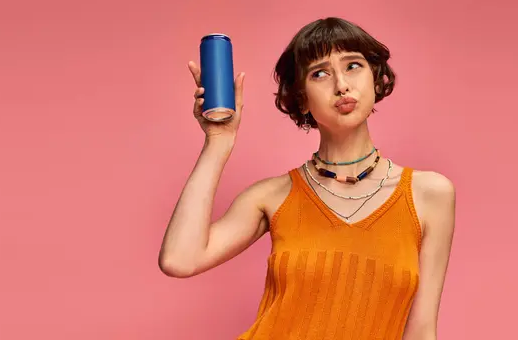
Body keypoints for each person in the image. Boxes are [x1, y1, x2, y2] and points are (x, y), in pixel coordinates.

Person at [159, 17, 456, 340]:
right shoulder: (272, 196)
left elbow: (422, 330)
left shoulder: (428, 194)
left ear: (376, 78)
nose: (341, 84)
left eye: (353, 66)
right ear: (301, 98)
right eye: (320, 73)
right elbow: (179, 259)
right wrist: (218, 143)